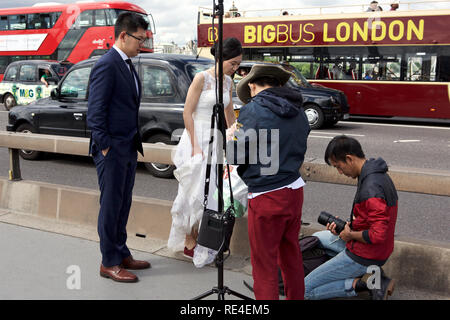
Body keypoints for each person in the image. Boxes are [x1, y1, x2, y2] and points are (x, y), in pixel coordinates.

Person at [227, 64, 310, 300]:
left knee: (264, 266)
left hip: (266, 194)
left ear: (253, 85)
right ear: (279, 84)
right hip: (294, 188)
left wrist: (232, 137)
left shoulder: (252, 110)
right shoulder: (298, 108)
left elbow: (236, 156)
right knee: (291, 256)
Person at [87, 12, 150, 283]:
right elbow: (95, 111)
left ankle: (122, 252)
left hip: (128, 146)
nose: (143, 44)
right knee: (111, 205)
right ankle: (108, 261)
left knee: (123, 203)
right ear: (123, 36)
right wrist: (104, 147)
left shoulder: (127, 63)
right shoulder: (107, 64)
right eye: (139, 39)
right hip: (111, 149)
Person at [167, 37, 242, 259]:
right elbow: (187, 113)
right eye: (233, 64)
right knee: (192, 190)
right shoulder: (201, 78)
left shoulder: (228, 82)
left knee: (212, 192)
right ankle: (189, 239)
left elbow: (229, 115)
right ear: (220, 59)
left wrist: (236, 137)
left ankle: (203, 237)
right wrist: (196, 147)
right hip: (196, 138)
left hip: (216, 139)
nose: (236, 69)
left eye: (238, 64)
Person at [304, 135, 398, 300]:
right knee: (319, 239)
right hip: (374, 249)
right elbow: (374, 218)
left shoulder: (371, 188)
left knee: (303, 290)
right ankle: (372, 274)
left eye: (339, 167)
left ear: (349, 159)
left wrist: (350, 234)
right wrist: (349, 225)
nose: (340, 172)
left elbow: (378, 234)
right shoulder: (375, 173)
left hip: (366, 255)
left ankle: (366, 284)